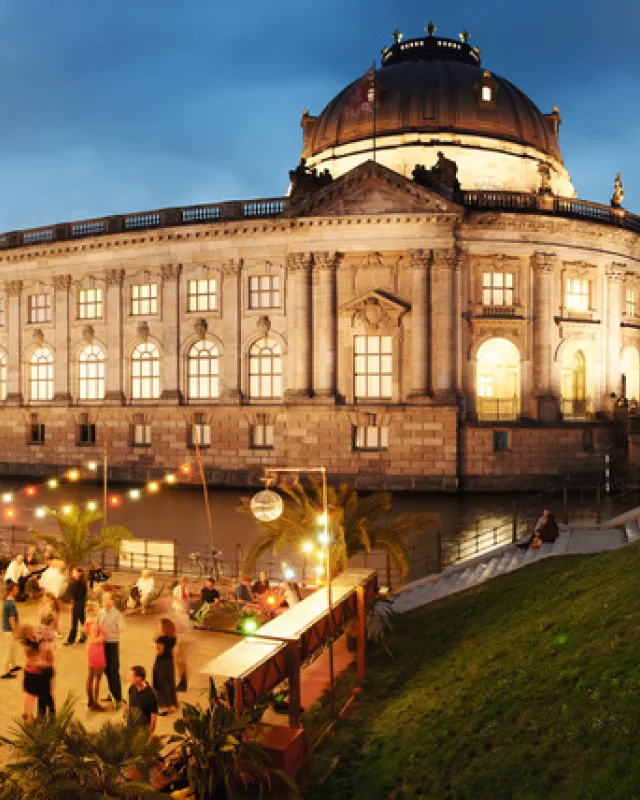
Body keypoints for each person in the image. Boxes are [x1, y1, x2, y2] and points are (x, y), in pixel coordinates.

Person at [98, 591, 125, 707]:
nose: (105, 602)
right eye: (104, 600)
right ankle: (111, 694)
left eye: (108, 599)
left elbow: (122, 628)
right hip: (102, 643)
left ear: (112, 601)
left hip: (112, 643)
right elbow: (97, 624)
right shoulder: (101, 612)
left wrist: (110, 630)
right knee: (107, 670)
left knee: (114, 670)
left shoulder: (117, 614)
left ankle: (117, 696)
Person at [152, 618, 178, 714]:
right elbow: (174, 651)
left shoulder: (161, 639)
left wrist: (155, 645)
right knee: (169, 683)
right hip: (169, 661)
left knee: (160, 683)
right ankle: (171, 704)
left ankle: (163, 706)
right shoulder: (173, 637)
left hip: (161, 662)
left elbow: (160, 651)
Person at [84, 601, 106, 711]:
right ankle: (96, 702)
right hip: (97, 650)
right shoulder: (94, 624)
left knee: (90, 676)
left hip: (91, 650)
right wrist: (103, 637)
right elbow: (94, 639)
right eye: (98, 609)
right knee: (98, 678)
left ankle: (90, 700)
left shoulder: (87, 621)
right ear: (93, 611)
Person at [127, 665, 159, 737]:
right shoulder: (131, 689)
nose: (129, 678)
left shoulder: (151, 694)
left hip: (143, 730)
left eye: (132, 676)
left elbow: (153, 718)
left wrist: (149, 735)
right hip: (131, 728)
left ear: (139, 678)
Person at [39, 559, 67, 637]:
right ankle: (54, 630)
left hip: (53, 595)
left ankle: (51, 630)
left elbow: (42, 584)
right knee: (52, 613)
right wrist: (49, 595)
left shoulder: (50, 572)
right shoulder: (54, 573)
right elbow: (44, 584)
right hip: (52, 595)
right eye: (61, 565)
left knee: (51, 613)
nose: (63, 567)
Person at [64, 567, 88, 645]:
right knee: (83, 622)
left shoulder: (77, 583)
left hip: (78, 605)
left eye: (74, 572)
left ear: (78, 574)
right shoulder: (81, 582)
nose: (72, 573)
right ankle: (85, 636)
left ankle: (71, 640)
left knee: (75, 623)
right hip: (80, 604)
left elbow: (72, 594)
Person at [1, 582, 20, 679]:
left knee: (12, 649)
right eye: (16, 589)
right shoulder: (10, 603)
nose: (18, 590)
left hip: (7, 629)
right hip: (9, 630)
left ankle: (13, 665)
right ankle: (4, 671)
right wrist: (16, 631)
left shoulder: (7, 601)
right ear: (11, 591)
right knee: (9, 650)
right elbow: (11, 619)